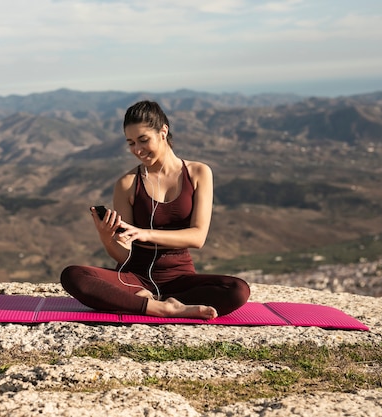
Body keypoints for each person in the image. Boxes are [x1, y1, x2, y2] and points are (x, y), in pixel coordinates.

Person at [60, 100, 250, 319]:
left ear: (163, 132)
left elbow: (198, 237)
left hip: (180, 280)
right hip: (134, 279)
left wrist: (145, 234)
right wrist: (106, 238)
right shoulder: (127, 184)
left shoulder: (199, 173)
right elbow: (124, 255)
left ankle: (150, 301)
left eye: (143, 140)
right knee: (73, 275)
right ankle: (161, 308)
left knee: (238, 290)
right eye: (131, 143)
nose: (137, 150)